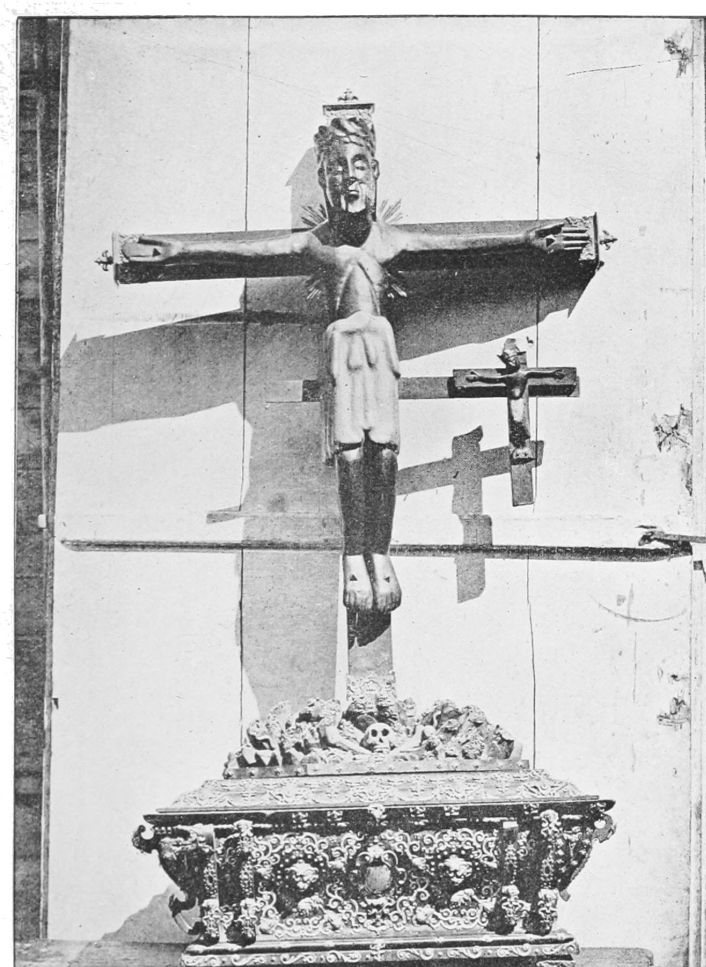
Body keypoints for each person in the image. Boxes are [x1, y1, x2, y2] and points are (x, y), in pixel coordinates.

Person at [135, 110, 589, 615]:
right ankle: (354, 551)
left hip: (380, 346)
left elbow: (461, 245)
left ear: (375, 173)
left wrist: (525, 241)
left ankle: (380, 550)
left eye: (358, 166)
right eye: (337, 168)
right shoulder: (315, 243)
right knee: (351, 454)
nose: (349, 178)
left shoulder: (391, 240)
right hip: (343, 350)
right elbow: (248, 253)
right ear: (324, 181)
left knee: (385, 453)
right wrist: (178, 251)